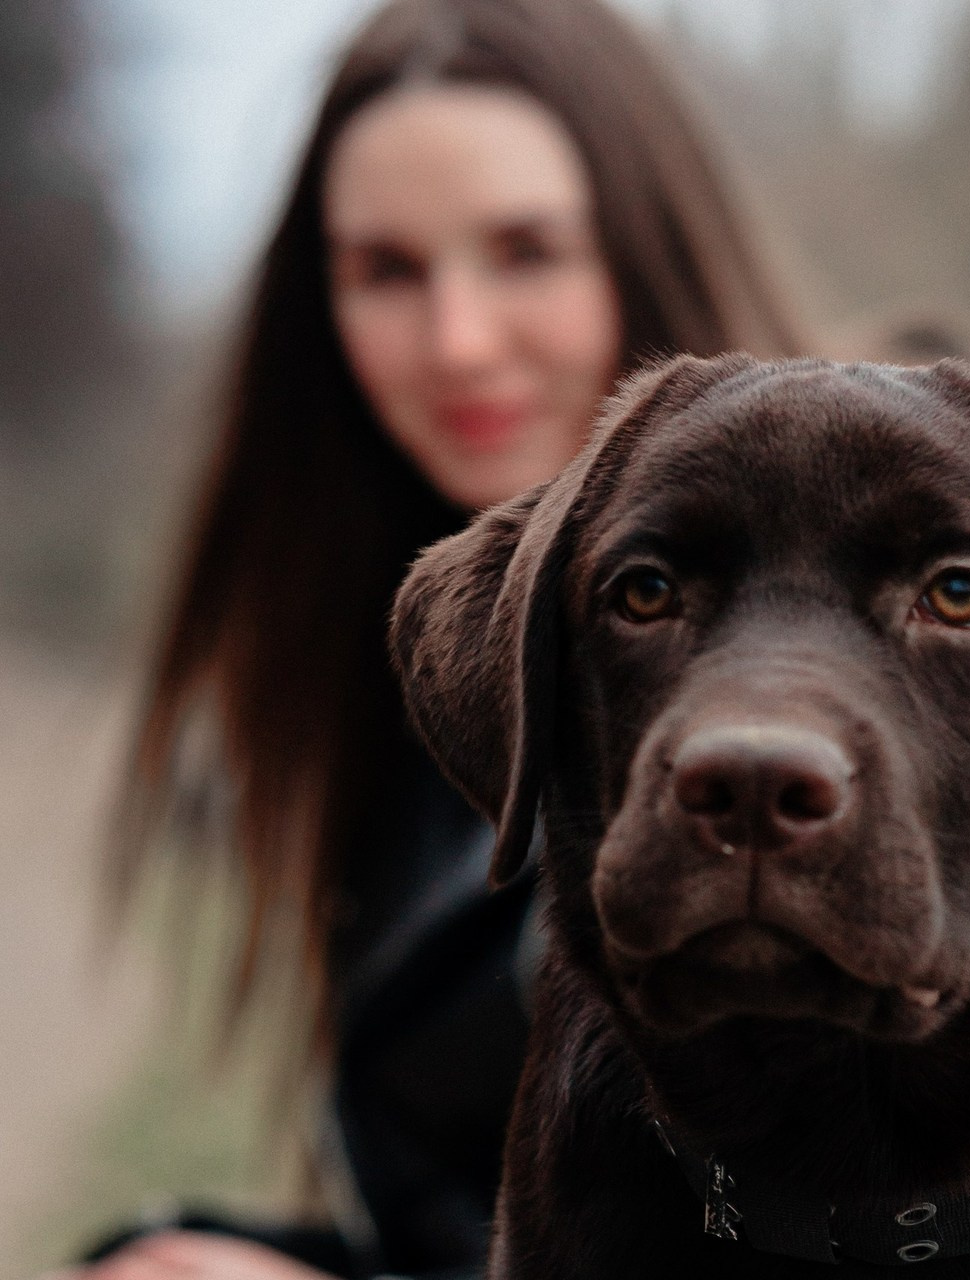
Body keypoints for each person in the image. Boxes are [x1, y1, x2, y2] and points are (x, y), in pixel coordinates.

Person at [72, 0, 802, 1276]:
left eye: (525, 251)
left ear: (638, 245)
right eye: (387, 272)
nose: (458, 341)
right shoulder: (401, 663)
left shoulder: (817, 687)